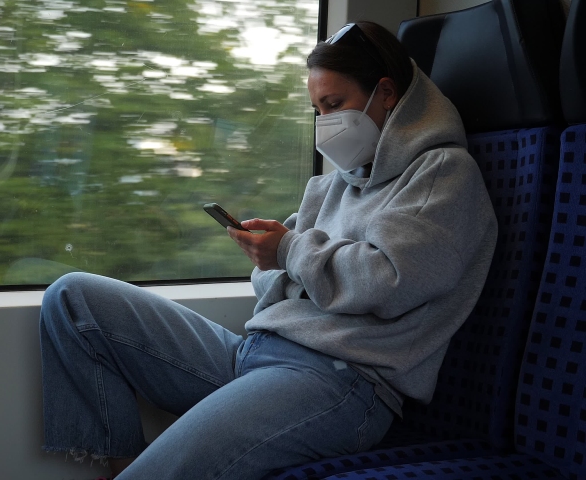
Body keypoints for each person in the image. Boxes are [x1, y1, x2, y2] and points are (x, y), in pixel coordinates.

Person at [38, 21, 497, 480]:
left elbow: (388, 281)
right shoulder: (337, 181)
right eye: (317, 109)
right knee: (73, 299)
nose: (325, 124)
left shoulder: (442, 174)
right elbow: (274, 278)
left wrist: (291, 252)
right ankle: (121, 466)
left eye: (334, 105)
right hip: (257, 351)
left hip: (340, 381)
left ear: (387, 93)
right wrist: (278, 254)